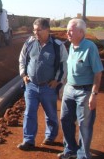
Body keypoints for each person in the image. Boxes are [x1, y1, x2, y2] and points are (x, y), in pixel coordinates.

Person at [17, 18, 68, 151]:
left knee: (50, 113)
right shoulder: (29, 42)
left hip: (48, 87)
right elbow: (22, 59)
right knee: (29, 113)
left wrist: (57, 80)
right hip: (31, 86)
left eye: (39, 30)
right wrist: (23, 75)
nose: (36, 32)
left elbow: (64, 64)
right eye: (34, 29)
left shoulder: (57, 45)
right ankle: (28, 140)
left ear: (47, 30)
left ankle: (50, 136)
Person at [58, 18, 104, 159]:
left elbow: (98, 72)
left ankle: (83, 155)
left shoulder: (90, 47)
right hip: (69, 89)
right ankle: (70, 149)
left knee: (84, 124)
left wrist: (94, 94)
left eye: (70, 31)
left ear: (81, 32)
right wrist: (64, 86)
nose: (67, 33)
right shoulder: (72, 46)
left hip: (85, 91)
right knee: (65, 119)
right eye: (67, 31)